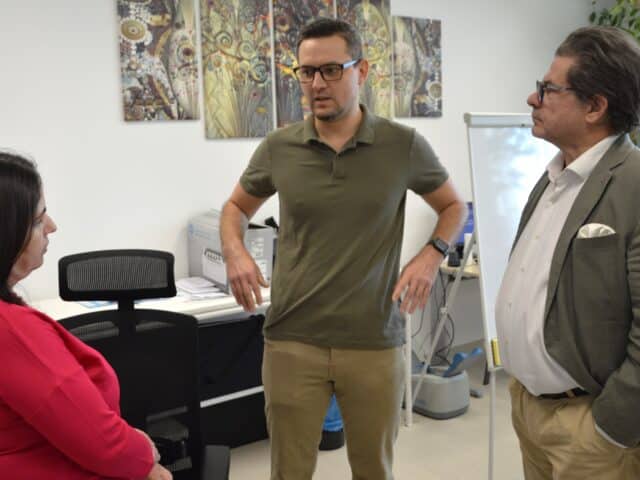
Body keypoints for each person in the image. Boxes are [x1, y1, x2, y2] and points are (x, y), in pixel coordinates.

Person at [220, 18, 466, 480]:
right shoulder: (279, 148)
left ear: (362, 71)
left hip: (373, 341)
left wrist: (430, 256)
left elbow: (453, 206)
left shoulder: (403, 146)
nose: (317, 84)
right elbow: (235, 207)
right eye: (306, 72)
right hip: (292, 339)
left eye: (331, 70)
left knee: (374, 470)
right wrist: (235, 251)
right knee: (289, 471)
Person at [495, 26, 640, 479]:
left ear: (595, 107)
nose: (532, 99)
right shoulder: (553, 177)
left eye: (547, 89)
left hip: (589, 430)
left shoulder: (634, 184)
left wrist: (610, 428)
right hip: (529, 409)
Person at [0, 151, 172, 480]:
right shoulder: (13, 332)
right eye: (37, 220)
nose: (51, 227)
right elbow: (104, 444)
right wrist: (143, 454)